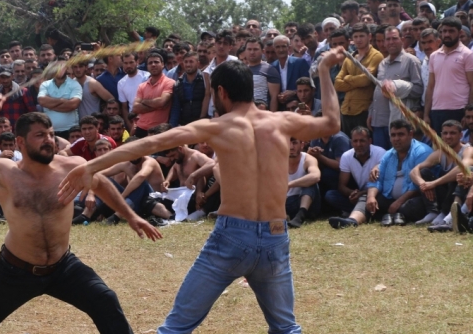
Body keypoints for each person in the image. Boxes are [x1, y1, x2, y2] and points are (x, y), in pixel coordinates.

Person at [60, 47, 347, 334]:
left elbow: (148, 144)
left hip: (232, 238)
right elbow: (332, 123)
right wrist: (324, 70)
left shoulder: (217, 127)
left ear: (221, 92)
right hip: (275, 235)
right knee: (286, 329)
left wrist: (91, 166)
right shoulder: (283, 122)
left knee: (176, 328)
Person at [0, 105, 160, 333]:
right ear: (20, 142)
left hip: (63, 267)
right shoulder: (3, 172)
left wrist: (131, 217)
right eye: (39, 135)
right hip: (16, 270)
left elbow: (101, 184)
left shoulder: (71, 166)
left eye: (50, 134)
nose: (48, 140)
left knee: (105, 300)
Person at [328, 120, 433, 228]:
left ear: (410, 134)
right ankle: (352, 221)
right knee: (366, 198)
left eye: (401, 134)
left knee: (412, 206)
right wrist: (371, 197)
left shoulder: (422, 152)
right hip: (389, 198)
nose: (396, 139)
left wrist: (398, 202)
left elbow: (419, 184)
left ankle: (388, 214)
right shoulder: (388, 154)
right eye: (393, 135)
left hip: (411, 199)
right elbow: (376, 179)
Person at [409, 121, 472, 230]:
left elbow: (462, 167)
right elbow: (414, 170)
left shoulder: (468, 150)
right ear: (441, 135)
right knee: (424, 173)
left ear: (461, 135)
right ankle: (433, 212)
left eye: (452, 133)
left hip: (463, 191)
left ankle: (448, 216)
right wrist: (422, 183)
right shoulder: (440, 153)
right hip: (447, 194)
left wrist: (434, 183)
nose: (448, 136)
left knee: (459, 175)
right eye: (445, 133)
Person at [368, 27, 423, 150]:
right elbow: (378, 89)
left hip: (398, 123)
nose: (391, 42)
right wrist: (372, 112)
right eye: (388, 39)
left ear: (402, 40)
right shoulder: (383, 63)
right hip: (378, 121)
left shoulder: (411, 61)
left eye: (394, 38)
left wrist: (398, 87)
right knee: (381, 160)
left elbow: (419, 89)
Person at [424, 17, 473, 134]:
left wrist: (467, 114)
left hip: (459, 110)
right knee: (440, 149)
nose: (446, 34)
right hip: (437, 111)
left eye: (451, 31)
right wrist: (426, 114)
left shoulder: (467, 55)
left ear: (459, 33)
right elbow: (430, 86)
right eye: (444, 31)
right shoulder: (434, 56)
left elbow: (472, 85)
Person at [324, 127, 386, 219]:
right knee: (330, 195)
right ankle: (366, 211)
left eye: (362, 141)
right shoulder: (346, 156)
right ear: (351, 142)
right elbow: (342, 186)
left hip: (375, 193)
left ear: (370, 141)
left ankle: (359, 212)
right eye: (355, 141)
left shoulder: (380, 153)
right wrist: (352, 193)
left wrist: (362, 194)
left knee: (385, 195)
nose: (358, 144)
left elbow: (384, 184)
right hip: (359, 194)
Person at [334, 23, 384, 135]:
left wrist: (347, 78)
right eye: (355, 37)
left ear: (369, 37)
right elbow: (337, 84)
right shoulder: (349, 57)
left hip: (363, 110)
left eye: (362, 36)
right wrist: (356, 79)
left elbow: (366, 80)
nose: (358, 39)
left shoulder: (376, 56)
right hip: (346, 110)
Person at [37, 60, 83, 140]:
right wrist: (63, 101)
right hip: (50, 131)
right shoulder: (45, 85)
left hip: (70, 130)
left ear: (67, 69)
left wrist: (50, 104)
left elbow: (73, 105)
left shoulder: (75, 84)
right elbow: (42, 101)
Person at [132, 52, 174, 138]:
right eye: (150, 63)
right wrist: (157, 104)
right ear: (147, 66)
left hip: (159, 130)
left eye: (156, 62)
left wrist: (143, 101)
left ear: (162, 64)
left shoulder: (169, 82)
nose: (153, 65)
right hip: (141, 128)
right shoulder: (142, 86)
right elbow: (135, 108)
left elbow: (161, 102)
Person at [285, 138, 321, 228]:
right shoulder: (277, 161)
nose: (291, 147)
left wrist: (290, 184)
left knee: (311, 183)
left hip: (309, 204)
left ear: (302, 145)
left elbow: (316, 176)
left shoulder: (308, 159)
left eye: (294, 143)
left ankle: (300, 216)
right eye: (287, 143)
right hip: (288, 203)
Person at [203, 30, 239, 117]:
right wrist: (202, 116)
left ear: (230, 47)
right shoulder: (207, 70)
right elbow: (208, 94)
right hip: (213, 113)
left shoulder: (236, 63)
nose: (221, 46)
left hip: (232, 111)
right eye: (219, 43)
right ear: (215, 44)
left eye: (225, 43)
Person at [169, 52, 208, 127]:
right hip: (184, 125)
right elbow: (175, 108)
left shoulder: (205, 80)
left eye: (191, 62)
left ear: (198, 63)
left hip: (203, 124)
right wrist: (171, 127)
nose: (188, 64)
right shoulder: (178, 84)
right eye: (186, 62)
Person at [271, 35, 309, 109]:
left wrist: (294, 92)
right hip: (280, 108)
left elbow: (308, 84)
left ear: (289, 48)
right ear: (274, 49)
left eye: (283, 46)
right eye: (278, 47)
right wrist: (279, 96)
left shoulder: (300, 63)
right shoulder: (272, 67)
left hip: (298, 106)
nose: (281, 50)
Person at [243, 38, 281, 112]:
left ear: (263, 51)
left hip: (262, 112)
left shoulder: (269, 70)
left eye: (255, 49)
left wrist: (272, 117)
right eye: (249, 49)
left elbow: (274, 97)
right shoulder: (242, 70)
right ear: (245, 51)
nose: (252, 52)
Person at [117, 52, 149, 130]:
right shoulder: (121, 83)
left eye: (131, 62)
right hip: (134, 121)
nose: (128, 66)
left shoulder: (147, 76)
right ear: (122, 64)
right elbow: (124, 107)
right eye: (126, 63)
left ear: (137, 62)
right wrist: (129, 124)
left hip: (149, 116)